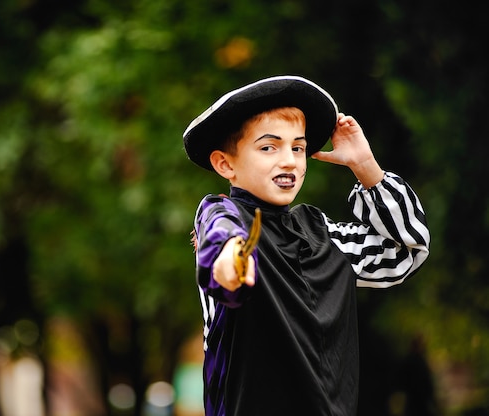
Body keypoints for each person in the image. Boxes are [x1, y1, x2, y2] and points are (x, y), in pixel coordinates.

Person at [182, 75, 430, 416]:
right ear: (226, 164)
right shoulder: (223, 214)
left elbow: (404, 253)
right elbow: (219, 243)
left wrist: (365, 167)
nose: (289, 161)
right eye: (268, 147)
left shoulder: (321, 233)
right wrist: (229, 262)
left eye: (297, 148)